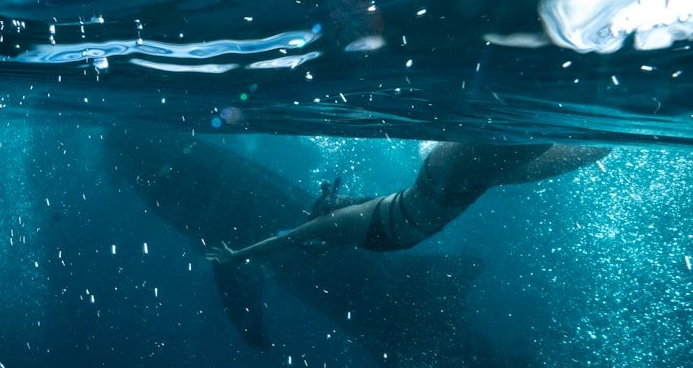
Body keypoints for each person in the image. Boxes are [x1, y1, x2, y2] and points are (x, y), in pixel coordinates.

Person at [206, 142, 610, 264]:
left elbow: (298, 238)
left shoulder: (355, 227)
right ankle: (598, 142)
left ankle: (598, 144)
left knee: (525, 149)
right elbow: (292, 238)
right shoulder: (345, 224)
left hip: (447, 193)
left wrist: (237, 255)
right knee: (527, 144)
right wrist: (237, 255)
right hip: (441, 180)